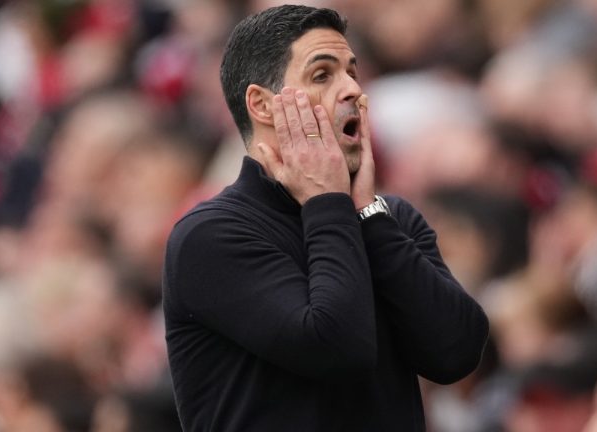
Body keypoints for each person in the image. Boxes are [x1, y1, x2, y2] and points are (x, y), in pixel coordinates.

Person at [162, 5, 489, 431]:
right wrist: (328, 203)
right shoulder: (211, 235)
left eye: (353, 71)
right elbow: (336, 346)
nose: (353, 88)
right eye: (323, 75)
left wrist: (367, 214)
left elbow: (457, 353)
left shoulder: (390, 218)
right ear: (262, 105)